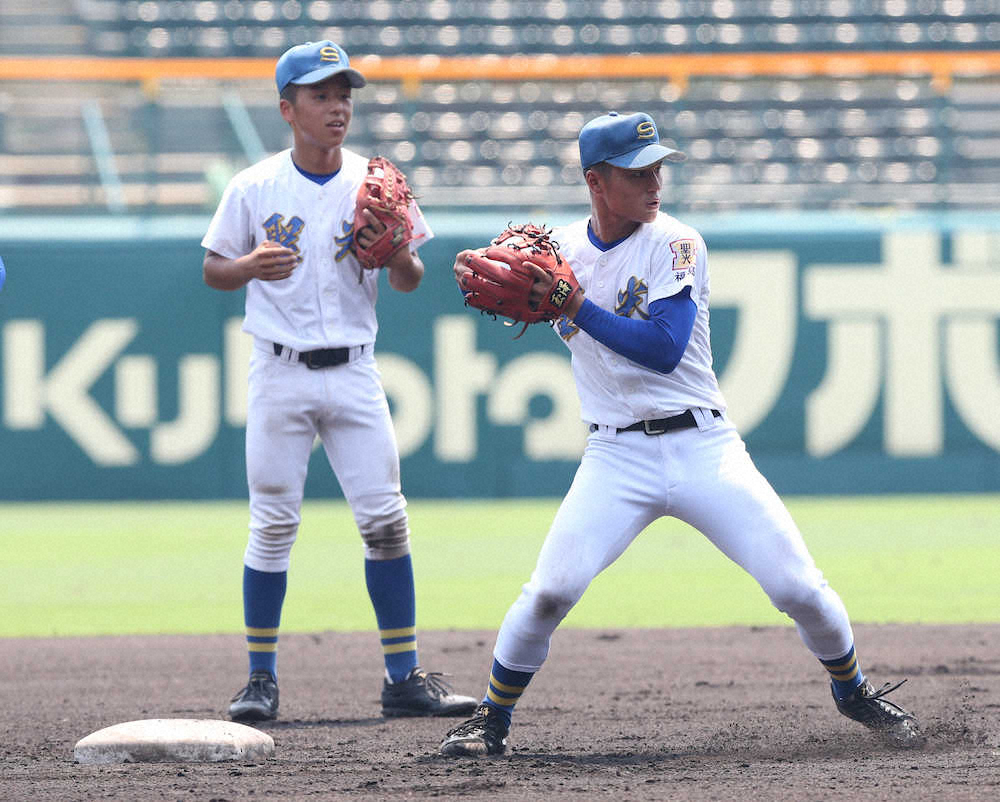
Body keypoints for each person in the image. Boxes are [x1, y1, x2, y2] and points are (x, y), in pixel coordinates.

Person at [438, 111, 920, 756]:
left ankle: (853, 689)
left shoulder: (676, 241)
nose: (654, 182)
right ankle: (490, 721)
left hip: (703, 449)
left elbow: (663, 348)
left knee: (798, 589)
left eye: (658, 167)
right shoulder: (557, 253)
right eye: (638, 171)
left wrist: (573, 305)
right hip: (614, 453)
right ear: (596, 181)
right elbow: (498, 279)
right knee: (549, 590)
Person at [201, 40, 477, 722]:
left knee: (386, 522)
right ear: (287, 109)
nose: (337, 106)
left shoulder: (376, 181)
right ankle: (260, 681)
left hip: (354, 371)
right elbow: (212, 268)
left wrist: (396, 251)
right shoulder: (254, 186)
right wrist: (247, 268)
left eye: (344, 93)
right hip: (279, 370)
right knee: (272, 525)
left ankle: (403, 677)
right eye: (321, 95)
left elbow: (411, 281)